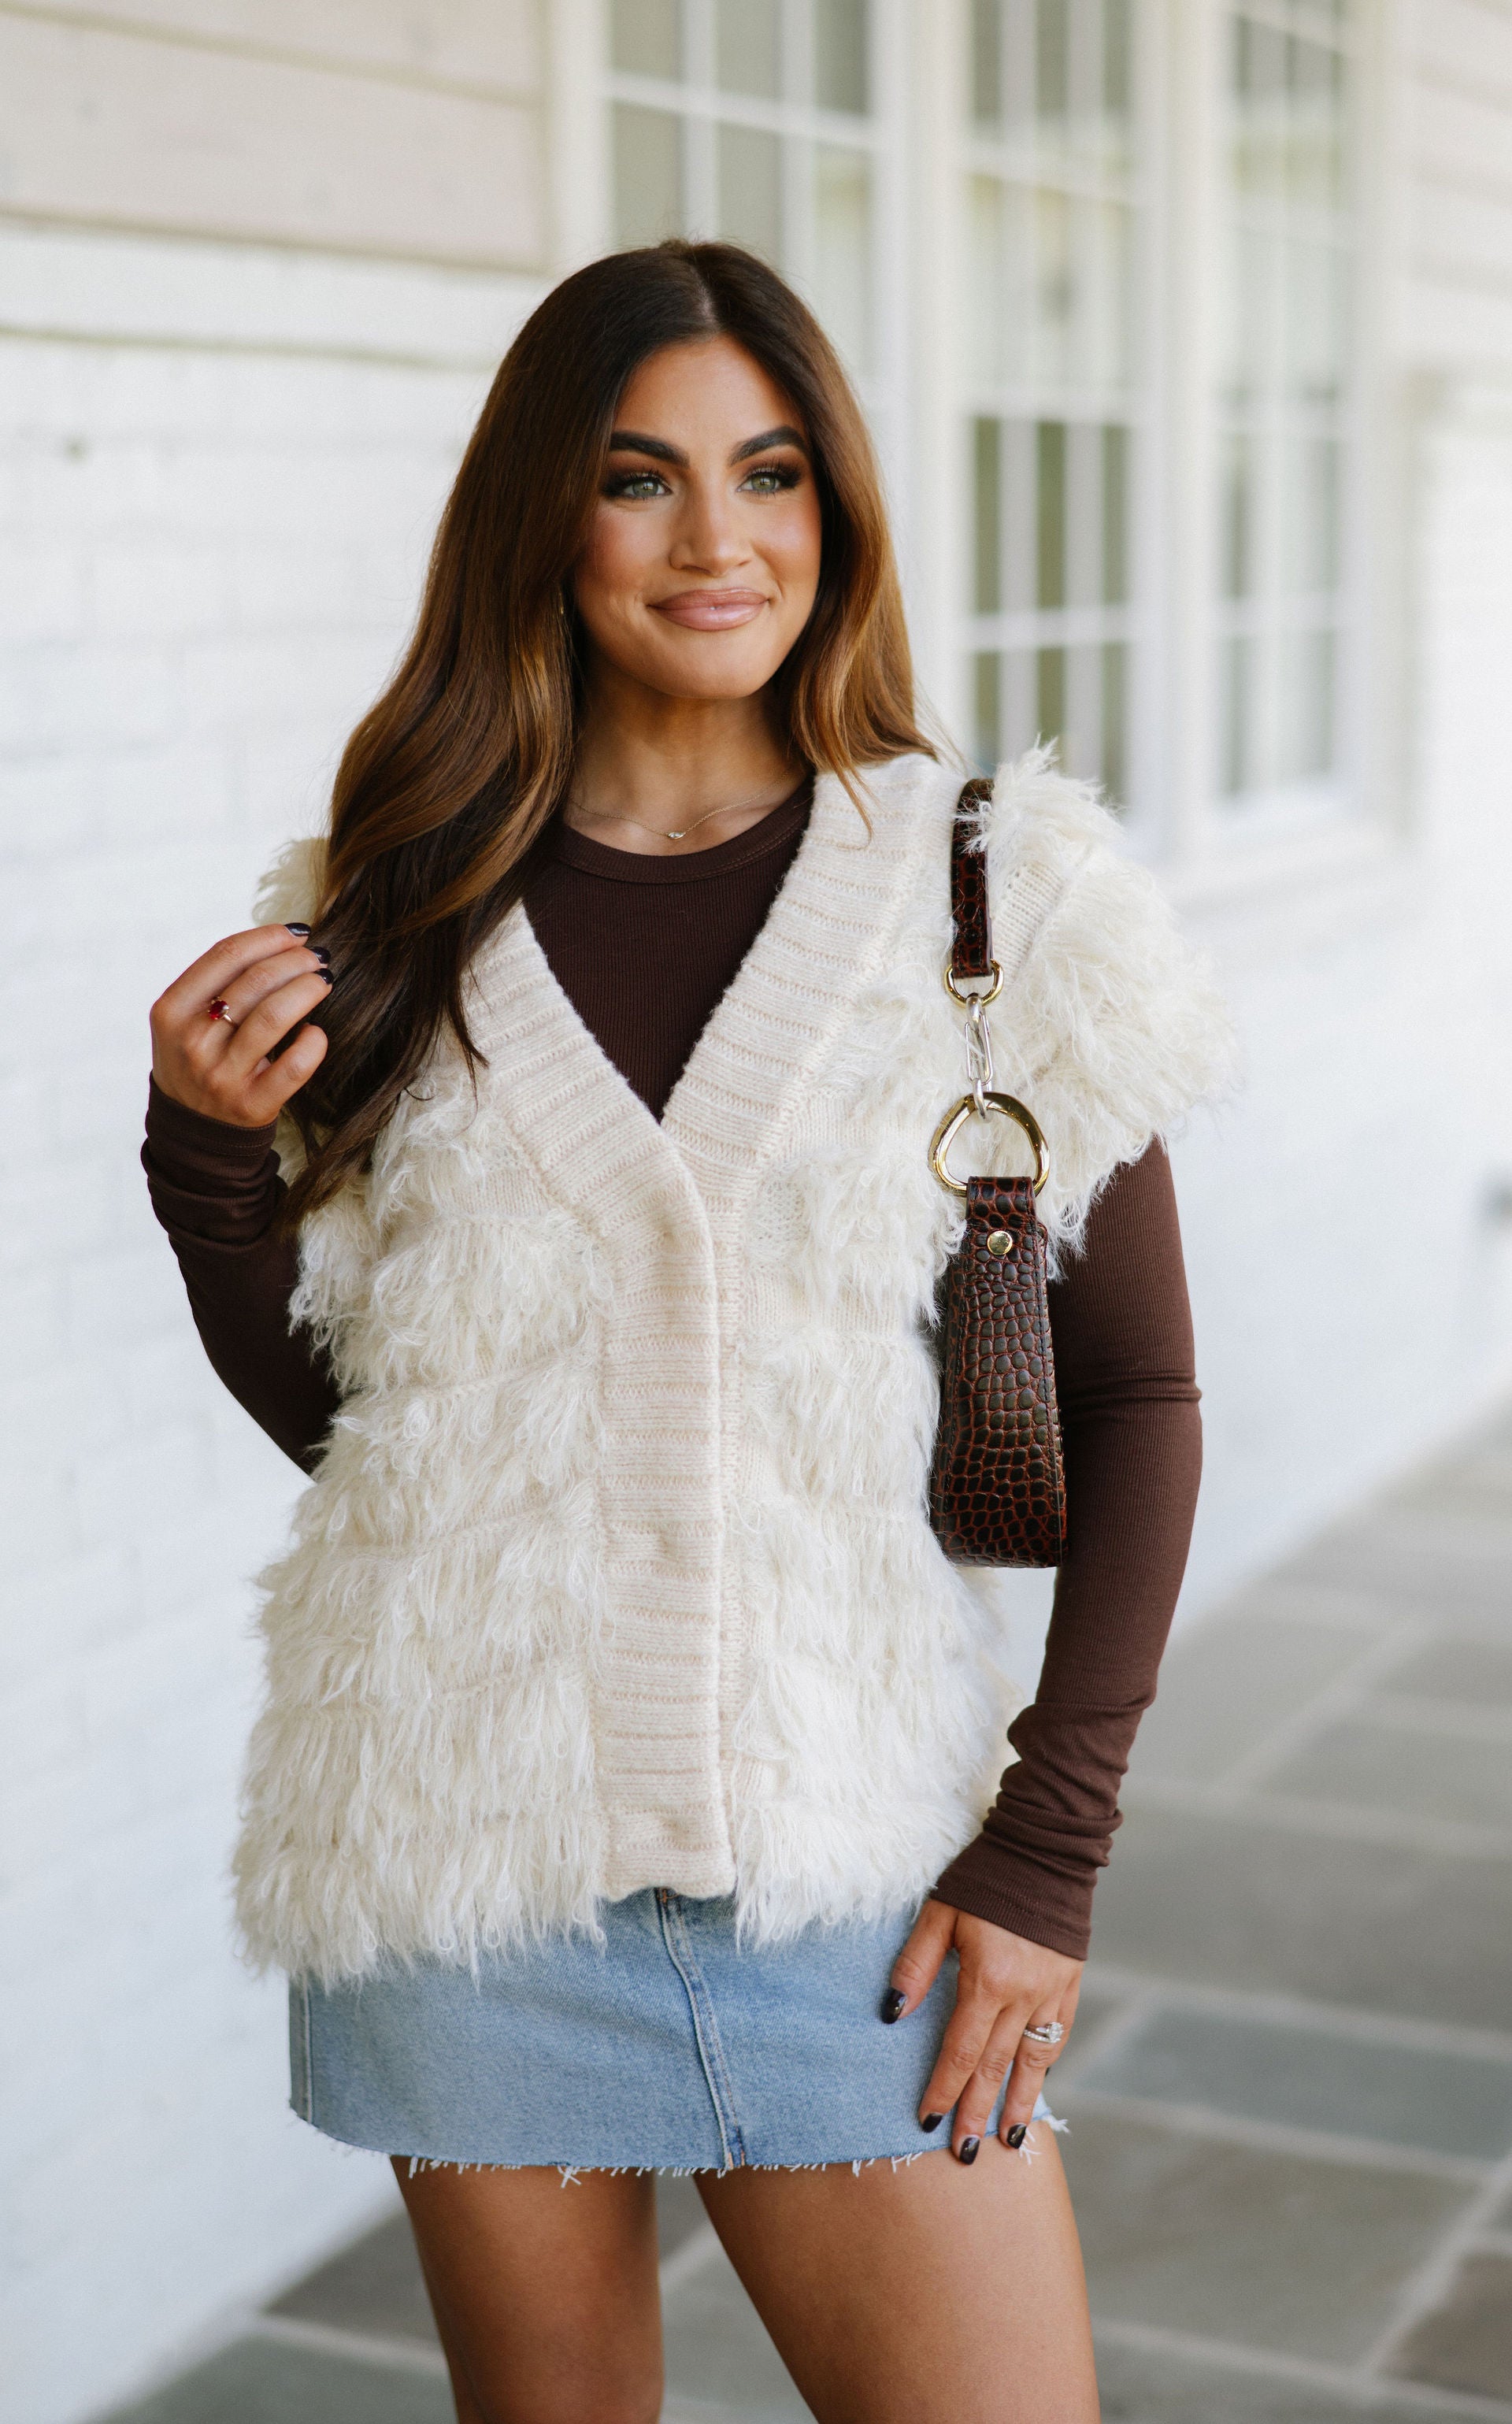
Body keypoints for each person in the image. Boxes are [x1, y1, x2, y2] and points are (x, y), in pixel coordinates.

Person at [144, 241, 1232, 2424]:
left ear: (835, 515)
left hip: (863, 1874)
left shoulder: (992, 894)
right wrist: (201, 1159)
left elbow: (1138, 1399)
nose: (716, 542)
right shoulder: (378, 909)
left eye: (772, 475)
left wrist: (1050, 1849)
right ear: (548, 516)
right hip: (463, 1860)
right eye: (643, 480)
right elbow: (368, 1428)